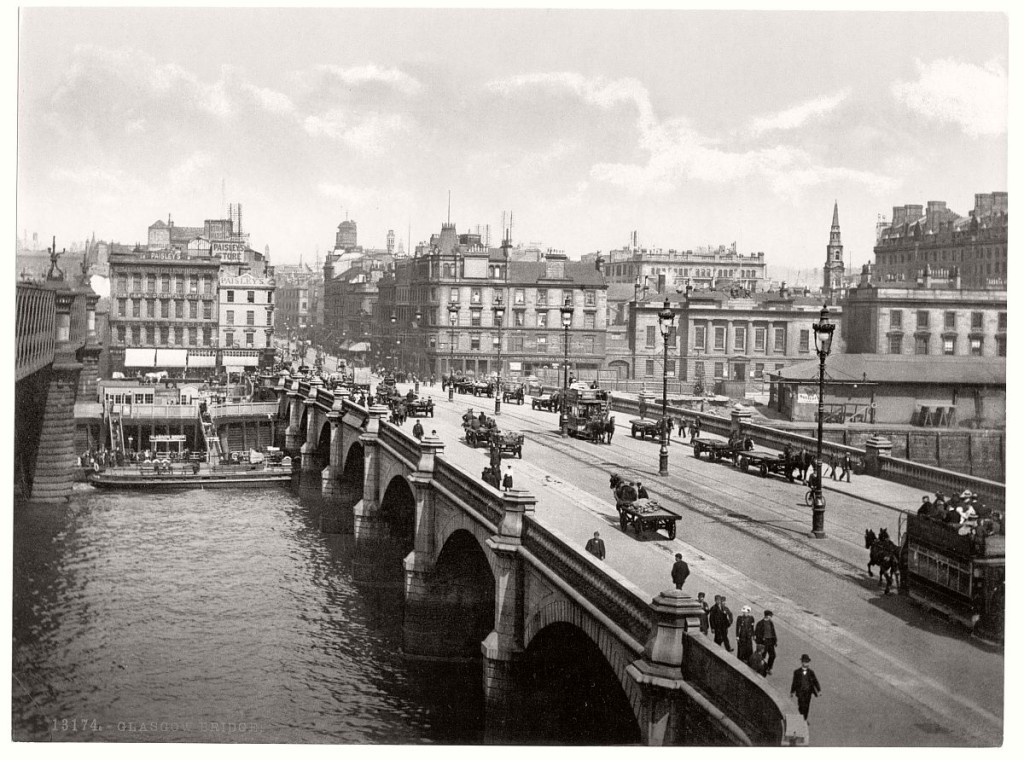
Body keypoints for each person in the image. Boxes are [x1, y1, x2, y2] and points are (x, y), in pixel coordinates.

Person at [790, 654, 822, 721]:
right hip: (800, 692)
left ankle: (804, 719)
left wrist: (819, 690)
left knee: (807, 706)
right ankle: (801, 718)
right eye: (805, 662)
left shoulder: (811, 672)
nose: (806, 663)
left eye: (807, 662)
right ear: (802, 662)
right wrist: (792, 692)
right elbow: (794, 682)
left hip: (808, 692)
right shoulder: (797, 672)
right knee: (801, 705)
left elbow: (815, 681)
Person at [754, 609, 778, 675]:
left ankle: (769, 668)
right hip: (764, 642)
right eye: (770, 616)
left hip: (770, 641)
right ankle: (760, 668)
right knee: (762, 656)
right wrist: (759, 643)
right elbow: (756, 634)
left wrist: (775, 641)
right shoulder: (760, 623)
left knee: (773, 655)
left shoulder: (771, 622)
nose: (771, 617)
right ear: (767, 616)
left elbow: (773, 632)